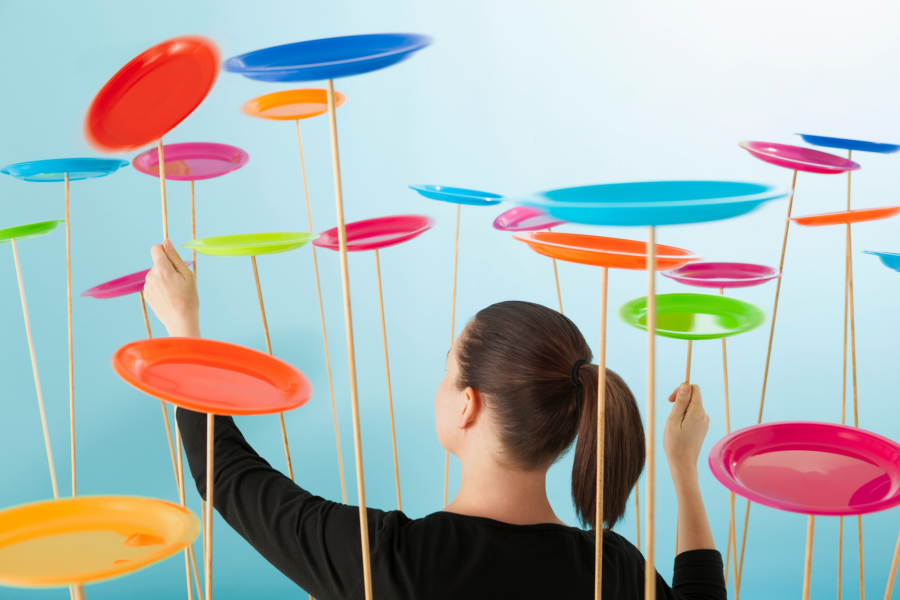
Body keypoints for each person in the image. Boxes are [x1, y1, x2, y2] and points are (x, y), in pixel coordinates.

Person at [144, 240, 726, 600]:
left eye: (446, 369)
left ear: (468, 403)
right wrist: (683, 472)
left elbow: (228, 478)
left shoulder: (385, 564)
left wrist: (183, 330)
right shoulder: (613, 572)